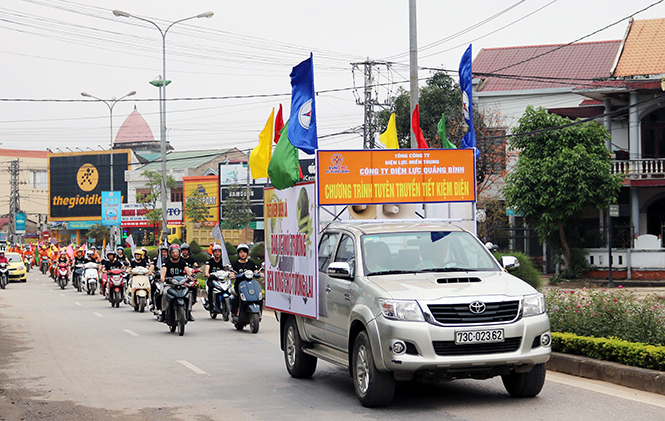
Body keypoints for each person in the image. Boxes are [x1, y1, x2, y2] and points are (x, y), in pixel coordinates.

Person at [159, 244, 194, 322]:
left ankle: (189, 312)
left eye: (176, 252)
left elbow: (187, 270)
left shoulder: (183, 262)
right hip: (170, 284)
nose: (175, 254)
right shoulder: (166, 262)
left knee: (189, 293)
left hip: (181, 284)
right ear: (170, 253)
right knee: (164, 293)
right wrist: (162, 277)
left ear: (179, 252)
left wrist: (191, 276)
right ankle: (163, 313)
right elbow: (164, 270)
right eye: (173, 252)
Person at [230, 243, 259, 315]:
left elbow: (256, 271)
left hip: (250, 284)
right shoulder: (235, 264)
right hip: (239, 285)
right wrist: (232, 275)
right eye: (241, 252)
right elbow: (232, 273)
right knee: (238, 296)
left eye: (245, 252)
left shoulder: (251, 263)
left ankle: (258, 311)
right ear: (238, 253)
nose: (243, 254)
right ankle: (236, 311)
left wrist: (258, 274)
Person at [204, 243, 227, 309]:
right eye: (216, 252)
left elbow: (228, 268)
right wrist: (207, 273)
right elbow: (207, 268)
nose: (217, 253)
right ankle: (210, 303)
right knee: (211, 287)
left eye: (219, 252)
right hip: (212, 279)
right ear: (213, 253)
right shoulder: (210, 261)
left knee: (228, 288)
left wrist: (230, 272)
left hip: (221, 280)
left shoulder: (223, 261)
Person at [180, 243, 199, 309]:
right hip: (183, 277)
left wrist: (198, 269)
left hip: (191, 277)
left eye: (186, 250)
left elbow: (196, 265)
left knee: (196, 284)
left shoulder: (191, 259)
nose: (185, 252)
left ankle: (194, 296)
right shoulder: (180, 259)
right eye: (183, 250)